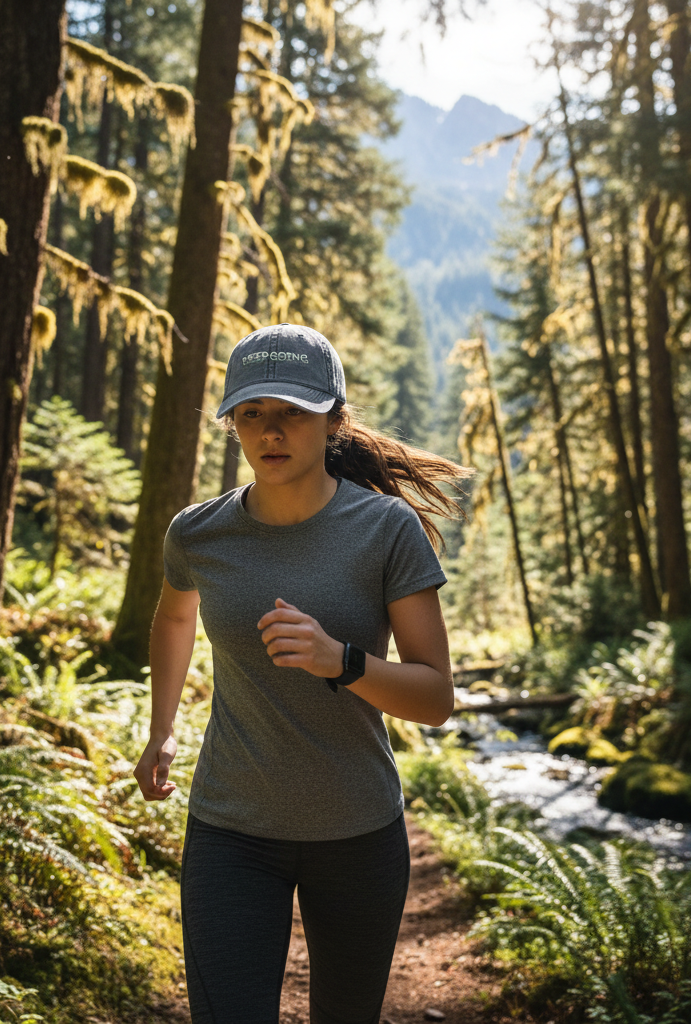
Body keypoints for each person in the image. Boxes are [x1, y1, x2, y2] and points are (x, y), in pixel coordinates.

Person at [133, 323, 470, 1024]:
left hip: (358, 832)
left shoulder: (386, 531)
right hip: (231, 829)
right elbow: (172, 619)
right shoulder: (198, 533)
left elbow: (437, 696)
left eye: (292, 411)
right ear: (232, 425)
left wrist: (340, 661)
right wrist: (162, 729)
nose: (270, 431)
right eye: (252, 413)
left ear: (334, 419)